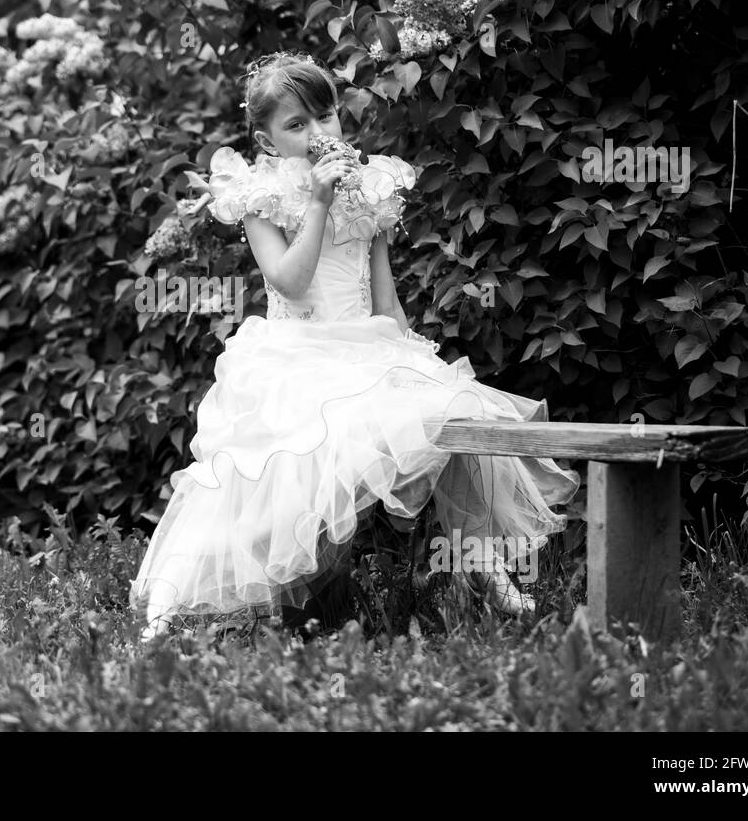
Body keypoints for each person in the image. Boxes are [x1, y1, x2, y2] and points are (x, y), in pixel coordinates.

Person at [130, 51, 580, 643]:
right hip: (295, 356)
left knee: (451, 409)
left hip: (364, 350)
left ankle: (479, 563)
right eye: (297, 125)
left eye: (326, 117)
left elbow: (383, 299)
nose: (318, 134)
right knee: (249, 484)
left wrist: (416, 358)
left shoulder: (368, 192)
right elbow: (289, 281)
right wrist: (316, 202)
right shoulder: (260, 196)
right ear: (267, 141)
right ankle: (171, 601)